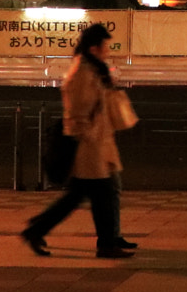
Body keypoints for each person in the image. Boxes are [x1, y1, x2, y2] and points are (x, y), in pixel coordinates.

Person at [22, 24, 138, 257]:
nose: (108, 50)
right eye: (105, 46)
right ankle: (106, 244)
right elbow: (77, 115)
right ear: (94, 48)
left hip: (98, 145)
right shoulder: (82, 73)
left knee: (83, 196)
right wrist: (90, 138)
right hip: (90, 147)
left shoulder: (92, 69)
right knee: (100, 195)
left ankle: (38, 230)